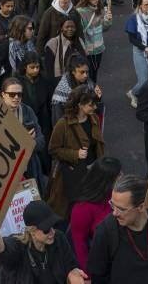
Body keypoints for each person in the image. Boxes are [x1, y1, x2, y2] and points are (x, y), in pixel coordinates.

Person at [0, 201, 88, 284]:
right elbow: (2, 251)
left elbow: (71, 265)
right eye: (46, 229)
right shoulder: (18, 246)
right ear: (32, 230)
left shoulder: (59, 238)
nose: (52, 232)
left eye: (53, 226)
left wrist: (73, 273)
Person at [47, 86, 104, 219]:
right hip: (73, 175)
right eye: (91, 105)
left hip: (93, 171)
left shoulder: (94, 118)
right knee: (73, 209)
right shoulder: (63, 124)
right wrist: (75, 154)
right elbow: (53, 149)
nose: (95, 107)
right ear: (80, 104)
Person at [69, 156, 121, 269]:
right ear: (106, 180)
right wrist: (87, 273)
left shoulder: (116, 194)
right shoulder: (82, 208)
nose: (122, 177)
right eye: (118, 176)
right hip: (103, 262)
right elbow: (80, 244)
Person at [125, 0, 148, 108]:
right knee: (144, 81)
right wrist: (145, 48)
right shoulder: (133, 19)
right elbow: (132, 39)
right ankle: (133, 93)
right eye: (146, 5)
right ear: (140, 6)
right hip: (140, 50)